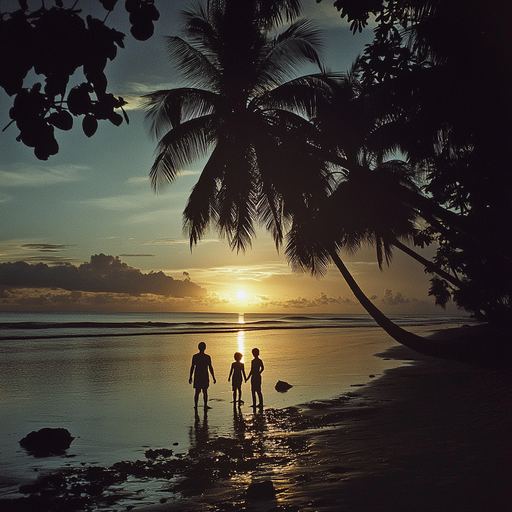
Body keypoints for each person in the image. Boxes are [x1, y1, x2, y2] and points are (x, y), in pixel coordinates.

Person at [189, 342, 216, 408]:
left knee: (198, 392)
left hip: (199, 375)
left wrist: (190, 377)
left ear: (198, 348)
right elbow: (210, 367)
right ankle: (204, 405)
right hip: (203, 375)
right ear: (205, 348)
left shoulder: (196, 356)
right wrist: (213, 377)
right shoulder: (206, 357)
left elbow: (192, 367)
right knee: (204, 391)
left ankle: (197, 405)